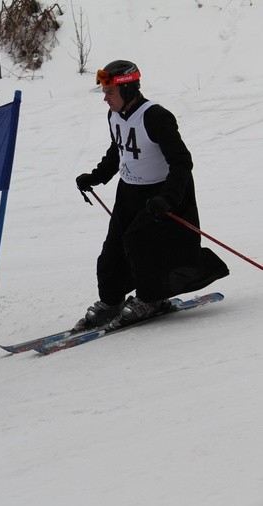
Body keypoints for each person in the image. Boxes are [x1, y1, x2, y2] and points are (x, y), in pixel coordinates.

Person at [73, 60, 229, 331]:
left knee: (142, 245)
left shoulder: (156, 116)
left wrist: (168, 198)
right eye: (105, 93)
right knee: (113, 249)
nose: (106, 99)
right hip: (128, 192)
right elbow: (118, 151)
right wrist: (95, 177)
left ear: (129, 90)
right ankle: (111, 302)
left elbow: (181, 162)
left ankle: (151, 299)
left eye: (110, 92)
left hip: (159, 193)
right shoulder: (114, 116)